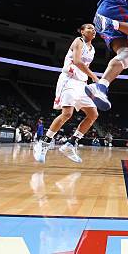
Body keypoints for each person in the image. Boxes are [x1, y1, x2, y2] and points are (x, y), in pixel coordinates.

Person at [33, 24, 100, 164]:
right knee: (67, 114)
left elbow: (84, 67)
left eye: (94, 28)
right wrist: (94, 77)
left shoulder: (92, 49)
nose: (92, 30)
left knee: (93, 114)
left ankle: (70, 144)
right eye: (89, 28)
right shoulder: (78, 41)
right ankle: (44, 143)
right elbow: (76, 61)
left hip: (82, 83)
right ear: (82, 31)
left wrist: (89, 80)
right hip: (69, 80)